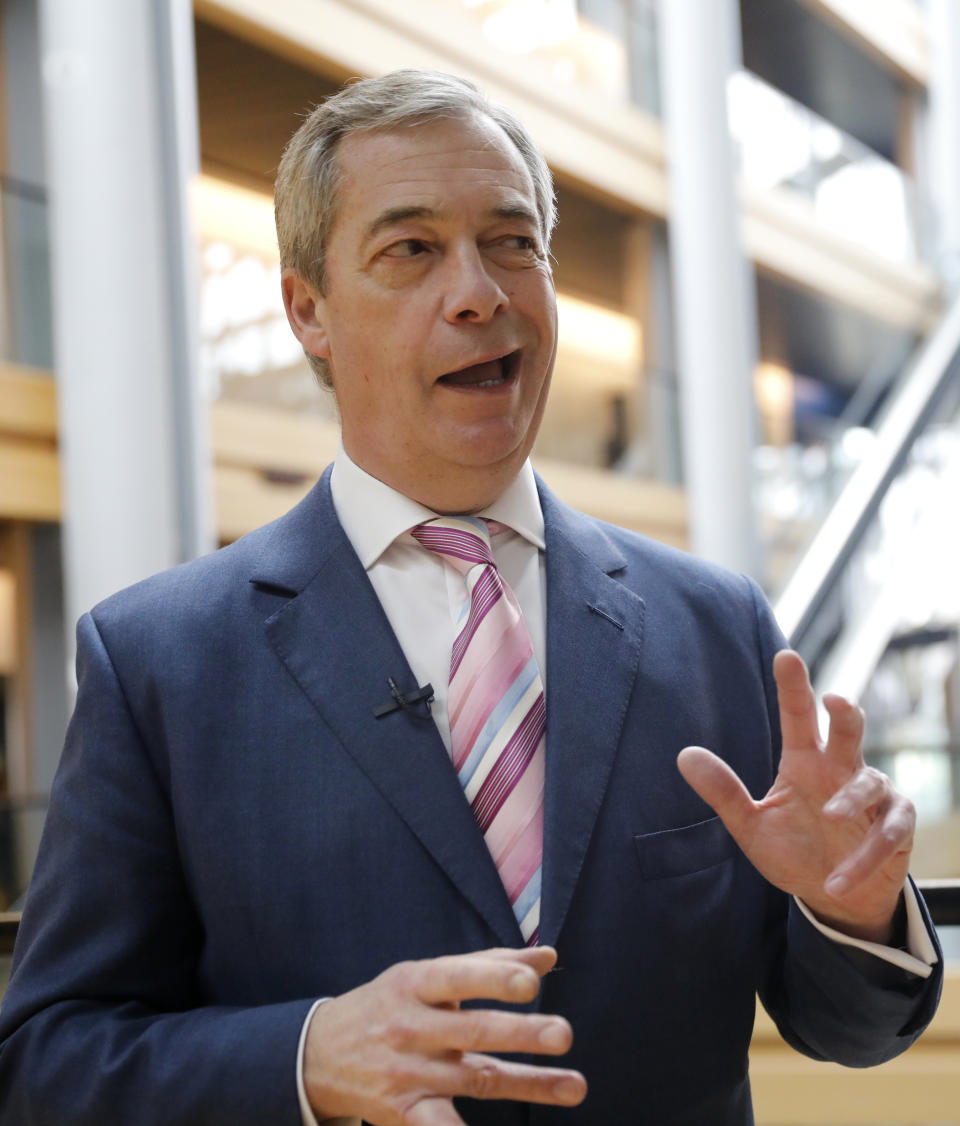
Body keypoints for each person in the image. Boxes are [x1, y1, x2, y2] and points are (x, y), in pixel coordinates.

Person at [0, 70, 942, 1126]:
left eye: (512, 241)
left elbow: (847, 1026)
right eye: (411, 250)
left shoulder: (718, 627)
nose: (480, 292)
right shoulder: (158, 663)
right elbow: (51, 1062)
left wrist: (851, 910)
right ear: (308, 309)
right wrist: (306, 1056)